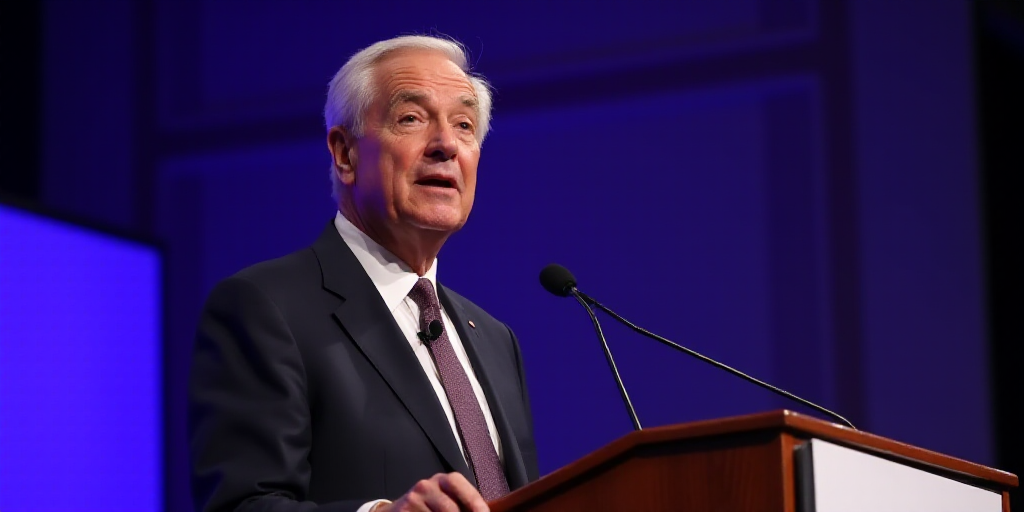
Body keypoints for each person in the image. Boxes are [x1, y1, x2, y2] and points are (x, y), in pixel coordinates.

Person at [188, 35, 538, 512]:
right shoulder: (266, 309)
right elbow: (240, 505)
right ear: (345, 154)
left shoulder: (496, 341)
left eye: (464, 125)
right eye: (412, 118)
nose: (446, 145)